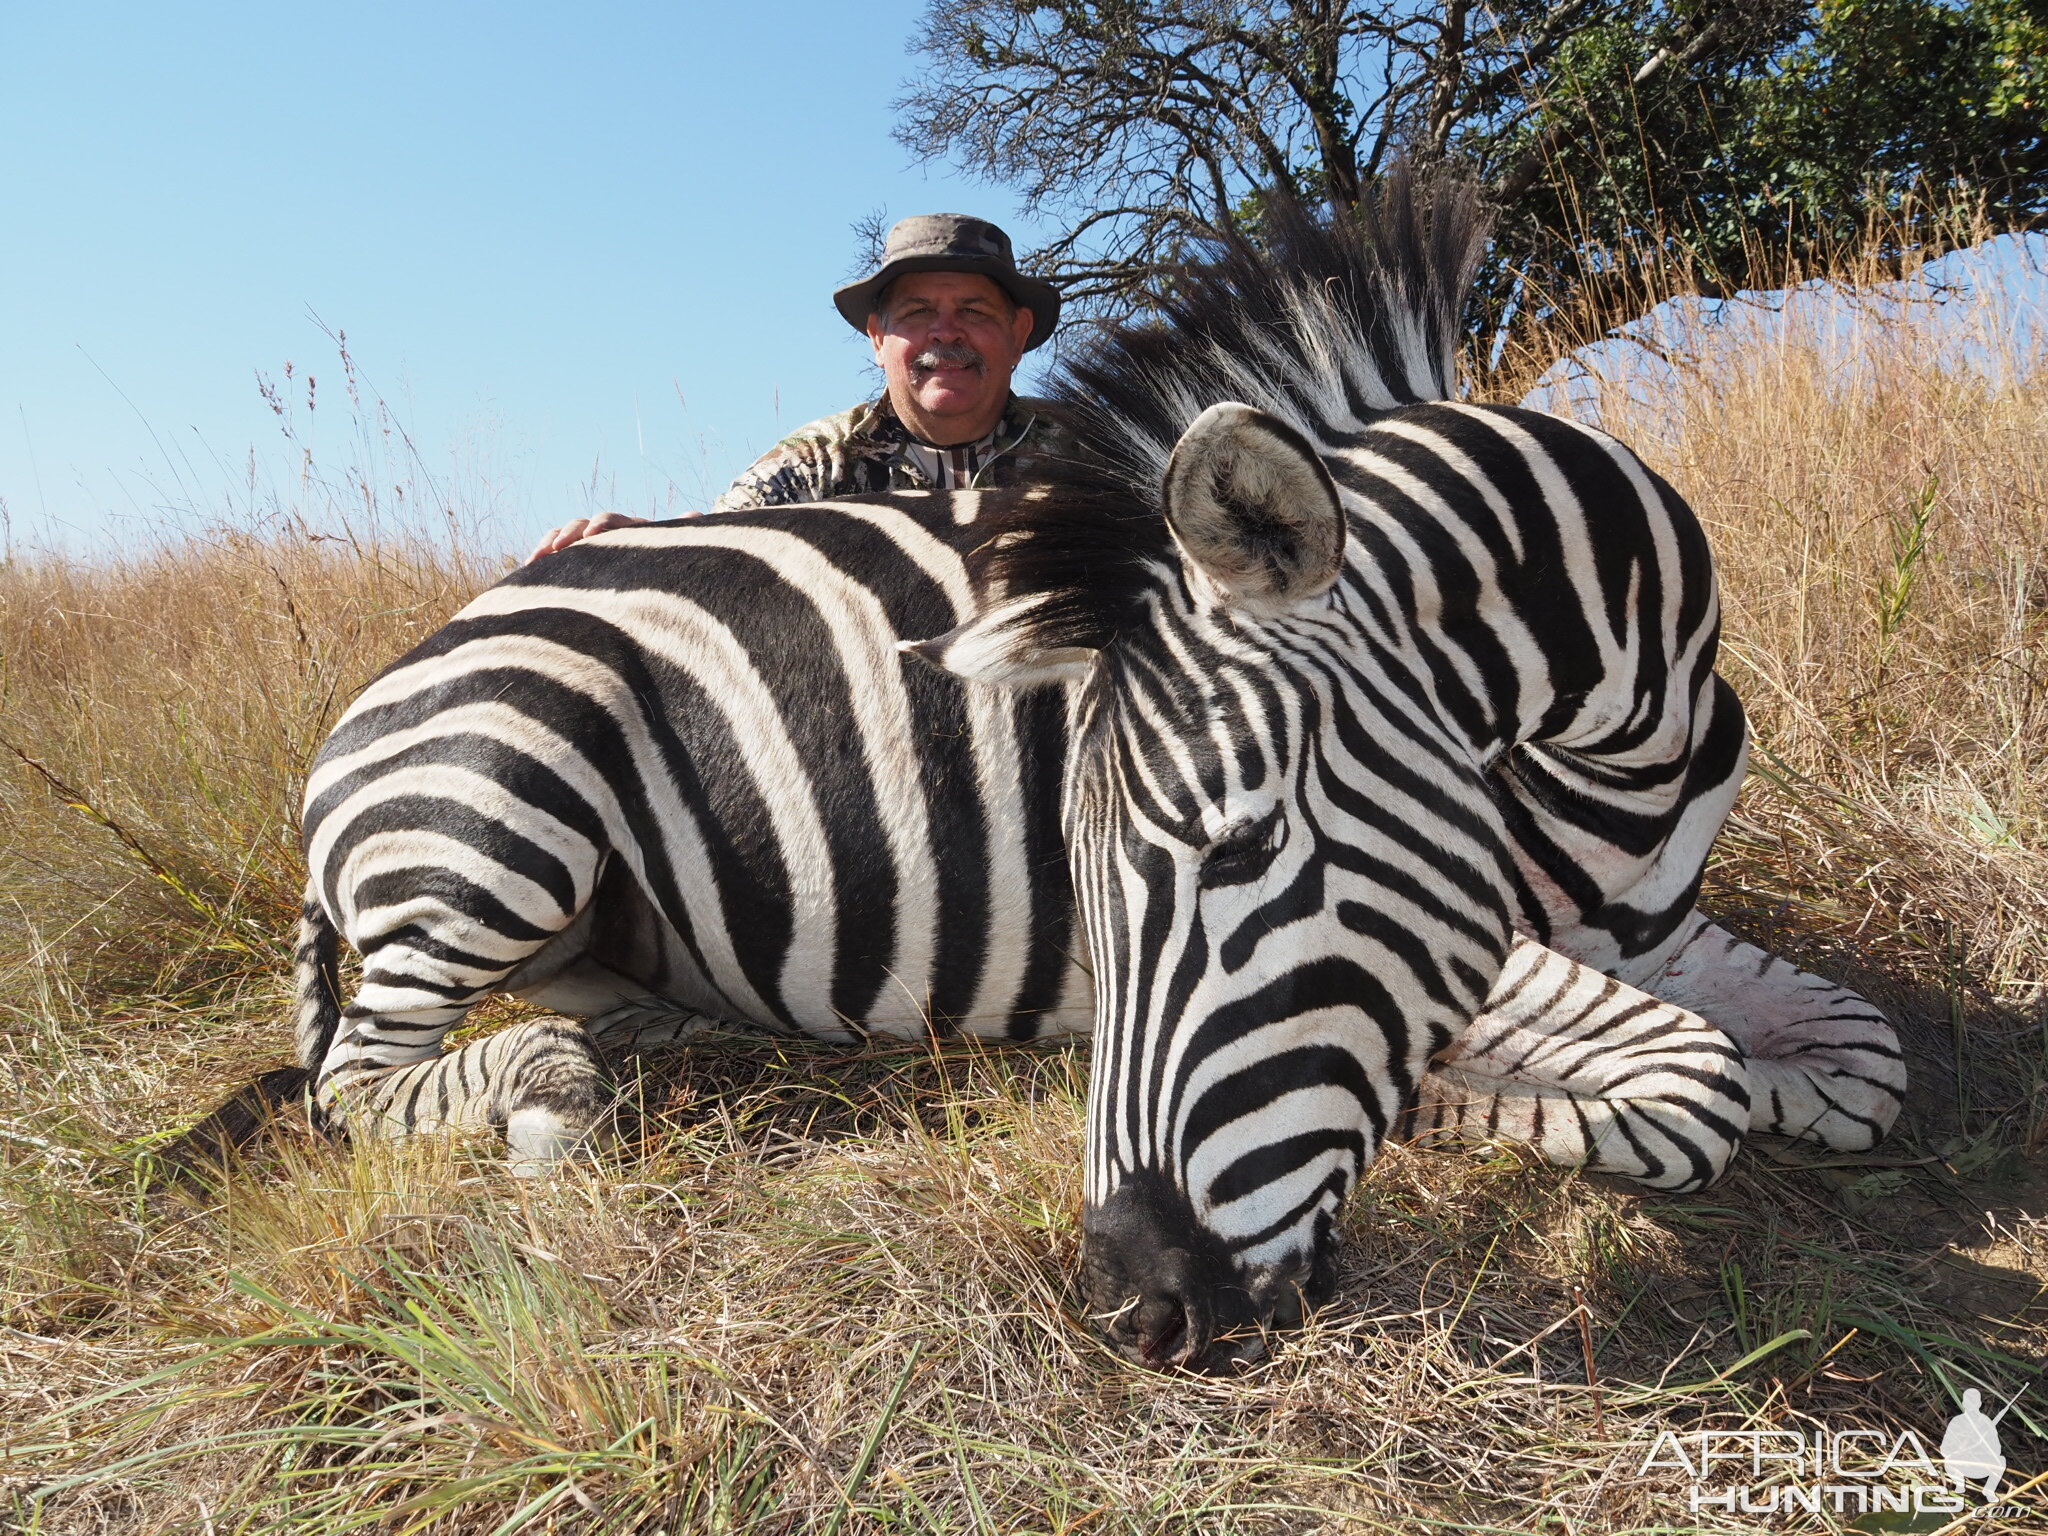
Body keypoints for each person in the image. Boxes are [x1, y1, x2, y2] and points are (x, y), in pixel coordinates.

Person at [528, 214, 1081, 560]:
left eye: (974, 309)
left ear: (1018, 334)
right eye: (916, 313)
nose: (945, 332)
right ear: (877, 339)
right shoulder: (818, 461)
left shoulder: (1095, 454)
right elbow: (721, 538)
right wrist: (642, 541)